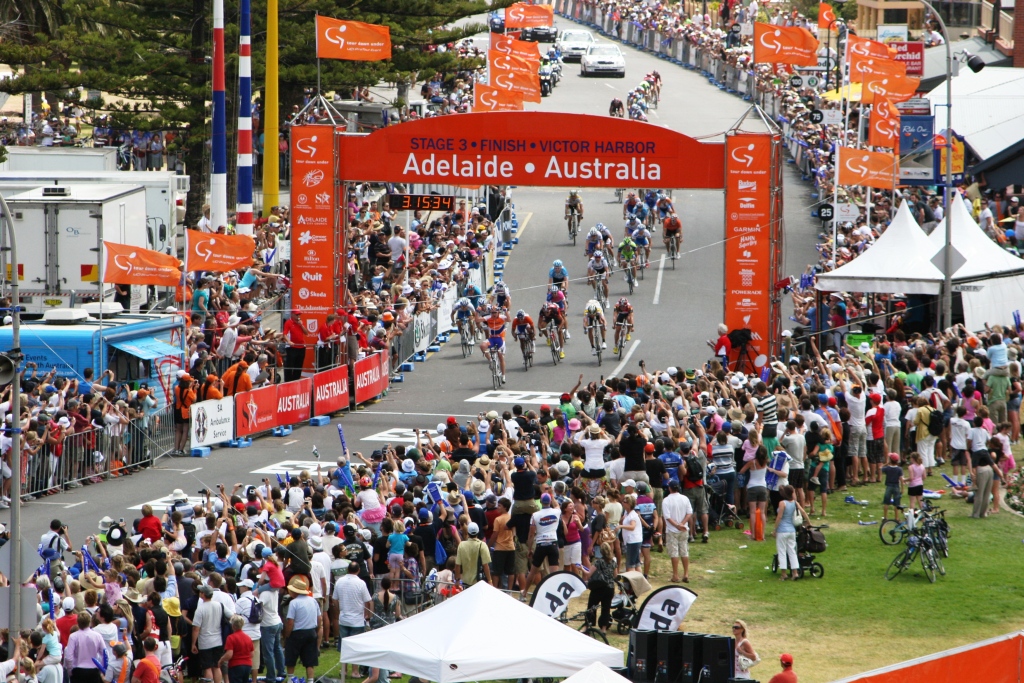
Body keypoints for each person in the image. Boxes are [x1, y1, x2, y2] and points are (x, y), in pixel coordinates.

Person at [332, 562, 372, 678]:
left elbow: (334, 599)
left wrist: (339, 612)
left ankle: (344, 670)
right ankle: (355, 671)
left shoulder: (339, 581)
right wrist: (367, 615)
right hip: (357, 620)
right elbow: (367, 600)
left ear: (347, 570)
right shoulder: (361, 583)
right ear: (358, 570)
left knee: (344, 645)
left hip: (344, 619)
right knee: (355, 647)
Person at [283, 577, 321, 683]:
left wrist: (287, 635)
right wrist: (317, 631)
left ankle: (290, 679)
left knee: (291, 658)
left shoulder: (294, 603)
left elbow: (290, 621)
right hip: (311, 632)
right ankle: (310, 680)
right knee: (310, 661)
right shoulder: (313, 601)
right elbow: (319, 618)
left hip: (297, 633)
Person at [772, 485, 807, 581]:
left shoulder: (782, 503)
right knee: (792, 551)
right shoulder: (795, 503)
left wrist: (775, 529)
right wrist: (809, 522)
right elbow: (803, 512)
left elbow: (779, 517)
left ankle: (784, 574)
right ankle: (795, 572)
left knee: (782, 552)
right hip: (792, 530)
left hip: (782, 530)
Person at [191, 585, 225, 683]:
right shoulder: (219, 605)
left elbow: (196, 628)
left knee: (207, 667)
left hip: (205, 642)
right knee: (217, 666)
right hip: (218, 640)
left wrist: (193, 644)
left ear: (203, 594)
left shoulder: (200, 609)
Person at [661, 481, 693, 583]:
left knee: (674, 552)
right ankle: (686, 573)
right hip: (683, 529)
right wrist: (682, 524)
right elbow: (689, 513)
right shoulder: (685, 498)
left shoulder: (666, 500)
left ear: (669, 488)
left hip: (672, 530)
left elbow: (667, 517)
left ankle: (675, 575)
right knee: (684, 550)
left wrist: (676, 525)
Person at [64, 612, 105, 683]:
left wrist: (70, 671)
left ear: (78, 622)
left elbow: (68, 657)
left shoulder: (73, 636)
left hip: (78, 671)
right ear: (89, 622)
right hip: (93, 671)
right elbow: (104, 653)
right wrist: (101, 669)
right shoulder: (97, 636)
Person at [455, 522, 492, 586]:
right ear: (478, 532)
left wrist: (457, 580)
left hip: (465, 582)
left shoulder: (461, 545)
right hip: (479, 582)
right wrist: (489, 580)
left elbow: (458, 565)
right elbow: (485, 565)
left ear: (468, 532)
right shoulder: (482, 545)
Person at [218, 616, 254, 683]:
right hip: (248, 666)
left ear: (233, 626)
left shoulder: (231, 638)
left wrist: (221, 659)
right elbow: (251, 654)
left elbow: (229, 654)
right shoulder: (248, 638)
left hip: (236, 666)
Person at [880, 454, 905, 520]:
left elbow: (880, 468)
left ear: (890, 460)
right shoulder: (899, 469)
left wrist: (886, 463)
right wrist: (902, 488)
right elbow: (901, 479)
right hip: (896, 486)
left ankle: (885, 517)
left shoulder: (887, 468)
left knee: (886, 502)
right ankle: (896, 518)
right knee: (896, 503)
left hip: (889, 486)